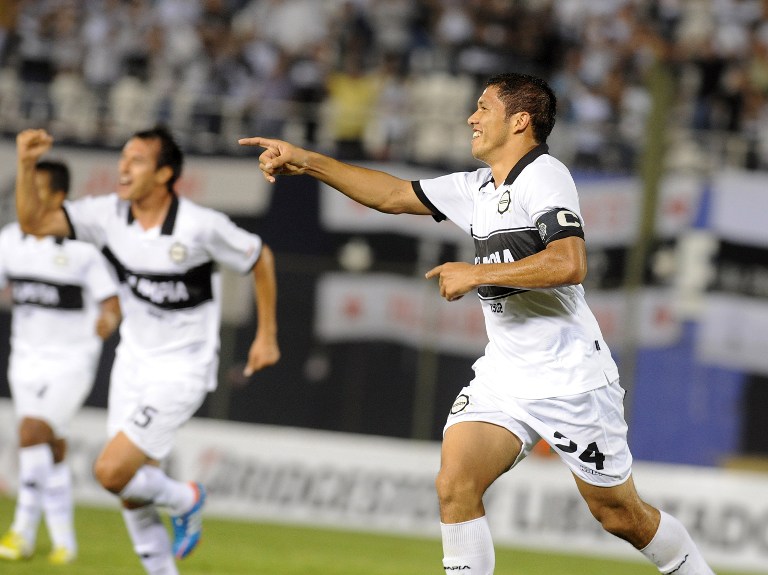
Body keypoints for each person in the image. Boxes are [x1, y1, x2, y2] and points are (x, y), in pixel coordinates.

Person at [239, 73, 716, 575]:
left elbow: (570, 263)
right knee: (455, 484)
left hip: (569, 377)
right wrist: (309, 161)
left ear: (519, 121)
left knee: (619, 515)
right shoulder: (478, 188)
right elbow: (392, 194)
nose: (471, 117)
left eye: (483, 107)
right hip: (505, 375)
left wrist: (478, 273)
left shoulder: (544, 175)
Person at [15, 125, 281, 575]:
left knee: (111, 472)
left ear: (163, 174)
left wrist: (267, 335)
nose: (123, 166)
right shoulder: (107, 216)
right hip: (132, 365)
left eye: (136, 159)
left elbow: (260, 258)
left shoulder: (199, 226)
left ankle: (187, 498)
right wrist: (25, 164)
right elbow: (34, 222)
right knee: (133, 490)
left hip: (182, 369)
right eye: (123, 157)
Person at [0, 160, 121, 565]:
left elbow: (112, 305)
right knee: (50, 448)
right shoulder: (9, 241)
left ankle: (21, 533)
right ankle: (65, 542)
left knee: (32, 432)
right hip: (25, 360)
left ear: (56, 197)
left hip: (72, 360)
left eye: (35, 189)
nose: (26, 198)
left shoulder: (83, 250)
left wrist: (108, 320)